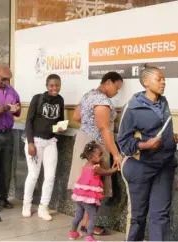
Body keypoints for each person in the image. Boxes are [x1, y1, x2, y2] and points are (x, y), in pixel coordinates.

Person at [117, 66, 178, 241]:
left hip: (164, 166)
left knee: (161, 215)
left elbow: (157, 129)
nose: (163, 82)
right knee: (138, 217)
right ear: (145, 82)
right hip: (140, 168)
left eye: (164, 79)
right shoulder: (132, 107)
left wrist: (170, 138)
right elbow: (124, 143)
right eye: (159, 79)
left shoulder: (163, 101)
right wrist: (145, 145)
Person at [68, 72, 123, 235]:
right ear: (108, 82)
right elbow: (104, 128)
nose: (117, 92)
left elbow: (77, 116)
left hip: (83, 143)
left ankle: (84, 223)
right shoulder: (102, 100)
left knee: (86, 183)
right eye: (116, 88)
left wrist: (89, 123)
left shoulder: (88, 95)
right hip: (97, 146)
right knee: (94, 185)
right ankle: (87, 224)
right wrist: (116, 153)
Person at [22, 74, 65, 221]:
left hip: (51, 141)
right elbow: (28, 122)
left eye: (57, 85)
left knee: (50, 176)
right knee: (34, 174)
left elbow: (60, 120)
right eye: (52, 85)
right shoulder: (37, 98)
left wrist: (59, 129)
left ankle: (43, 207)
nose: (55, 88)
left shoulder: (60, 100)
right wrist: (30, 143)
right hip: (35, 141)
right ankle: (26, 204)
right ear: (47, 86)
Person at [69, 141, 117, 242]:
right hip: (89, 198)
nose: (101, 158)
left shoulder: (85, 165)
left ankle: (73, 233)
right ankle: (89, 237)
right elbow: (107, 172)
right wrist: (116, 168)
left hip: (80, 196)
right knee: (92, 217)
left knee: (78, 216)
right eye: (99, 155)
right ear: (91, 157)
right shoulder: (96, 168)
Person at [0, 64, 21, 213]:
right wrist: (3, 109)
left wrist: (16, 109)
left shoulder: (11, 91)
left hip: (8, 133)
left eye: (8, 80)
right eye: (3, 79)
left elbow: (18, 111)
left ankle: (3, 198)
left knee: (6, 168)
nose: (5, 82)